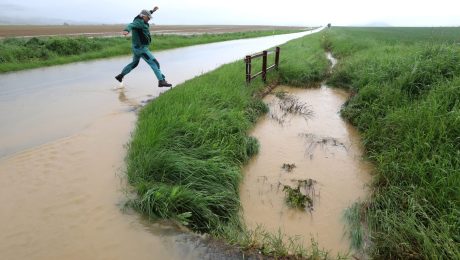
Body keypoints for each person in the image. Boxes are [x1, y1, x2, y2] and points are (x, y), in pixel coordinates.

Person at [115, 7, 172, 88]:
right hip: (141, 49)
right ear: (143, 16)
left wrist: (152, 11)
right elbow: (131, 25)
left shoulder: (140, 17)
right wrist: (126, 30)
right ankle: (161, 81)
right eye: (148, 17)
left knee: (134, 63)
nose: (149, 19)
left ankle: (120, 76)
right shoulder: (139, 23)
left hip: (136, 48)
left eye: (149, 17)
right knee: (154, 63)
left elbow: (146, 13)